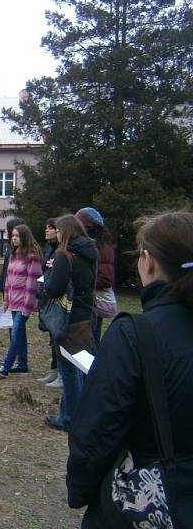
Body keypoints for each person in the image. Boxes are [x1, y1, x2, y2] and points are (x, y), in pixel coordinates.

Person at [66, 211, 193, 526]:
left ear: (147, 260)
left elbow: (97, 430)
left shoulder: (135, 334)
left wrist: (80, 490)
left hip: (152, 502)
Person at [42, 214, 98, 431]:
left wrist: (45, 284)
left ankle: (70, 418)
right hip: (86, 311)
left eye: (57, 229)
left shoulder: (65, 255)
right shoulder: (91, 252)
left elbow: (54, 288)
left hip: (68, 314)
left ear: (65, 231)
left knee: (68, 367)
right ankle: (82, 413)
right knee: (80, 365)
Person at [0, 224, 42, 378]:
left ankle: (5, 366)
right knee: (19, 334)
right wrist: (6, 300)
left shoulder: (32, 256)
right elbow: (8, 280)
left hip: (24, 303)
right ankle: (22, 363)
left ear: (24, 237)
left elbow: (33, 283)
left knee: (15, 333)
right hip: (13, 302)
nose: (14, 238)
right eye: (12, 236)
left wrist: (27, 307)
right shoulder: (14, 255)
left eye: (17, 236)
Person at [75, 207, 116, 345]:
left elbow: (106, 278)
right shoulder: (86, 245)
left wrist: (82, 280)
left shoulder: (102, 247)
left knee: (91, 342)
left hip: (93, 304)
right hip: (85, 302)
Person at [38, 218, 62, 387]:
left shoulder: (61, 251)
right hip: (46, 295)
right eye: (46, 228)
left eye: (50, 228)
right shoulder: (50, 249)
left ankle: (61, 374)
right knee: (51, 338)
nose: (46, 231)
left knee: (58, 338)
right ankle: (53, 371)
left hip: (58, 300)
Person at [0, 217, 26, 295]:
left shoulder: (22, 250)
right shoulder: (10, 247)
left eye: (7, 229)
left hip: (16, 293)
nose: (5, 231)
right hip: (7, 290)